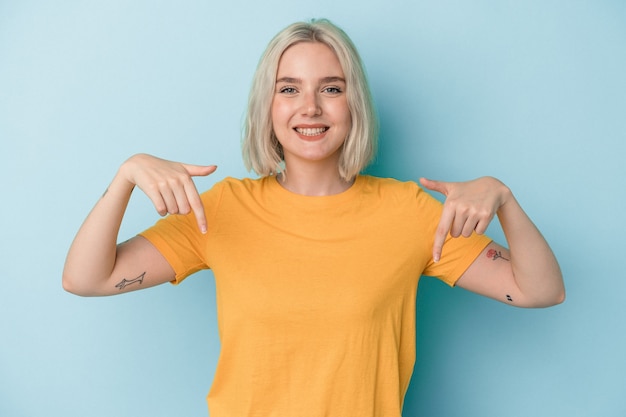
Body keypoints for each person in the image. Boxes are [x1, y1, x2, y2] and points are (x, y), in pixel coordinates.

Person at [63, 18, 564, 417]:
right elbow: (87, 278)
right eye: (288, 89)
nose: (310, 108)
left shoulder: (408, 213)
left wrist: (504, 198)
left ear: (354, 104)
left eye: (330, 88)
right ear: (268, 106)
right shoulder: (221, 210)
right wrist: (126, 176)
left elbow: (540, 289)